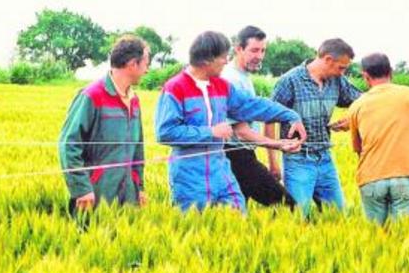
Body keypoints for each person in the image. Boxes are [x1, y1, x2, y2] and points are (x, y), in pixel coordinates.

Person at [155, 31, 306, 213]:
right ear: (208, 59)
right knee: (197, 231)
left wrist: (290, 115)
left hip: (222, 171)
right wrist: (211, 133)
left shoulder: (222, 86)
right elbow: (165, 132)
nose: (226, 62)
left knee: (237, 222)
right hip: (189, 177)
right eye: (223, 57)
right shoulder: (175, 88)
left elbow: (252, 105)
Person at [266, 38, 361, 216]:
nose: (342, 73)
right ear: (327, 60)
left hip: (325, 159)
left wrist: (351, 120)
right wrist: (273, 162)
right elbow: (270, 119)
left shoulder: (337, 82)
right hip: (298, 160)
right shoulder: (290, 81)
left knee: (339, 216)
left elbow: (364, 102)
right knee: (298, 217)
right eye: (341, 67)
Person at [59, 35, 150, 215]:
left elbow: (138, 150)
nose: (147, 70)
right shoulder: (91, 96)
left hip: (128, 197)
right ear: (133, 64)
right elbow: (68, 144)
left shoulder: (134, 100)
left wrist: (139, 187)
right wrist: (81, 189)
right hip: (95, 195)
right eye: (146, 63)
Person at [221, 25, 298, 208]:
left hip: (244, 154)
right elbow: (241, 132)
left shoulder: (243, 76)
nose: (260, 56)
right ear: (238, 48)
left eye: (263, 50)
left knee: (238, 215)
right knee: (287, 206)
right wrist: (278, 144)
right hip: (235, 155)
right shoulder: (232, 79)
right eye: (254, 50)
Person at [348, 53, 409, 225]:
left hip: (370, 178)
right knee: (402, 235)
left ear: (365, 76)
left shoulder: (357, 105)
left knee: (375, 236)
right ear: (391, 72)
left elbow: (358, 148)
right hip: (406, 173)